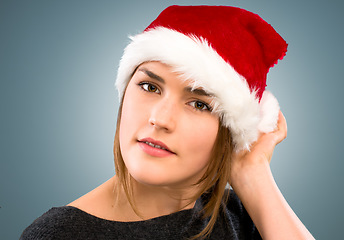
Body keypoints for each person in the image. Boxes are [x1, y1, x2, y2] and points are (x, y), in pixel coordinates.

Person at [21, 5, 315, 240]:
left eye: (199, 104)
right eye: (150, 87)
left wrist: (253, 175)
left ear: (231, 132)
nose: (159, 119)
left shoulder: (241, 213)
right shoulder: (59, 234)